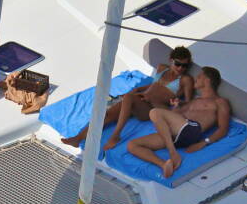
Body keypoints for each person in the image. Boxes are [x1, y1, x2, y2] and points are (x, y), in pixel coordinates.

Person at [61, 46, 195, 149]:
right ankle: (78, 138)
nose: (181, 68)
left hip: (154, 108)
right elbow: (155, 85)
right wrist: (138, 89)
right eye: (178, 64)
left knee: (129, 98)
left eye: (185, 65)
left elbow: (188, 103)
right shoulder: (162, 68)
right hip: (141, 100)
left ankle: (116, 136)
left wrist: (178, 102)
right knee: (108, 114)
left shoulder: (186, 80)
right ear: (171, 60)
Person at [127, 66, 230, 179]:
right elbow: (174, 115)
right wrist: (176, 106)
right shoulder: (194, 101)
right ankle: (163, 164)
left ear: (207, 80)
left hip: (192, 129)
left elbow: (223, 128)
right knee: (132, 145)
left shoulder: (220, 102)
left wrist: (204, 142)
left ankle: (172, 152)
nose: (196, 78)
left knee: (154, 112)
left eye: (199, 77)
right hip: (177, 136)